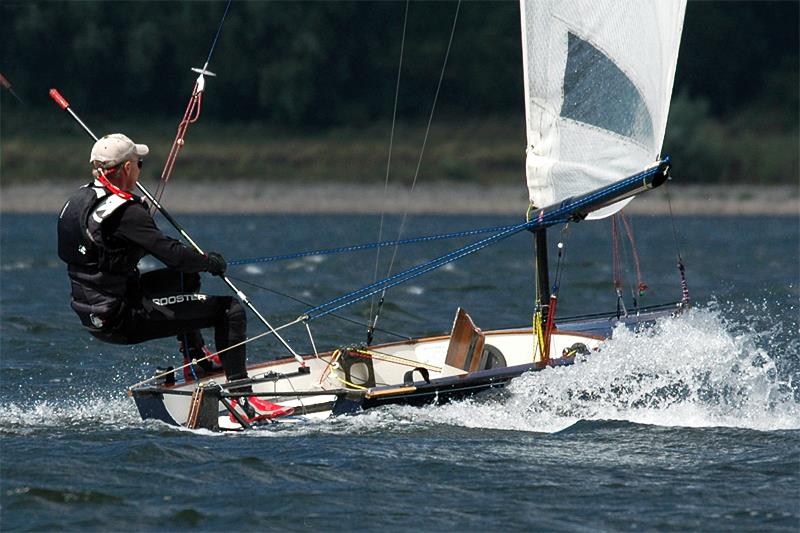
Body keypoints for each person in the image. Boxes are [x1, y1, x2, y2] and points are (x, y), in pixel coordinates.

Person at [57, 133, 292, 423]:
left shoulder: (77, 202)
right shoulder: (127, 212)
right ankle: (242, 398)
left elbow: (100, 252)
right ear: (128, 169)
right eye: (139, 163)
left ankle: (196, 358)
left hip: (93, 308)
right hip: (120, 317)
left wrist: (135, 233)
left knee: (186, 278)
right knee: (229, 310)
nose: (141, 169)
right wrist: (209, 262)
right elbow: (174, 255)